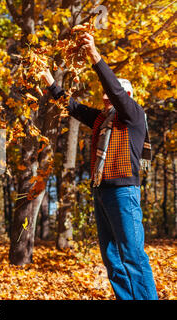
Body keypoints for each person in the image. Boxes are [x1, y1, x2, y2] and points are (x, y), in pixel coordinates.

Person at [39, 32, 158, 300]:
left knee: (132, 255)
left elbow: (115, 90)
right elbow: (73, 107)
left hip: (123, 192)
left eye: (111, 95)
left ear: (126, 96)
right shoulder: (101, 120)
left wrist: (94, 55)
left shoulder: (132, 115)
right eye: (104, 95)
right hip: (101, 191)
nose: (105, 98)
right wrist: (49, 81)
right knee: (112, 258)